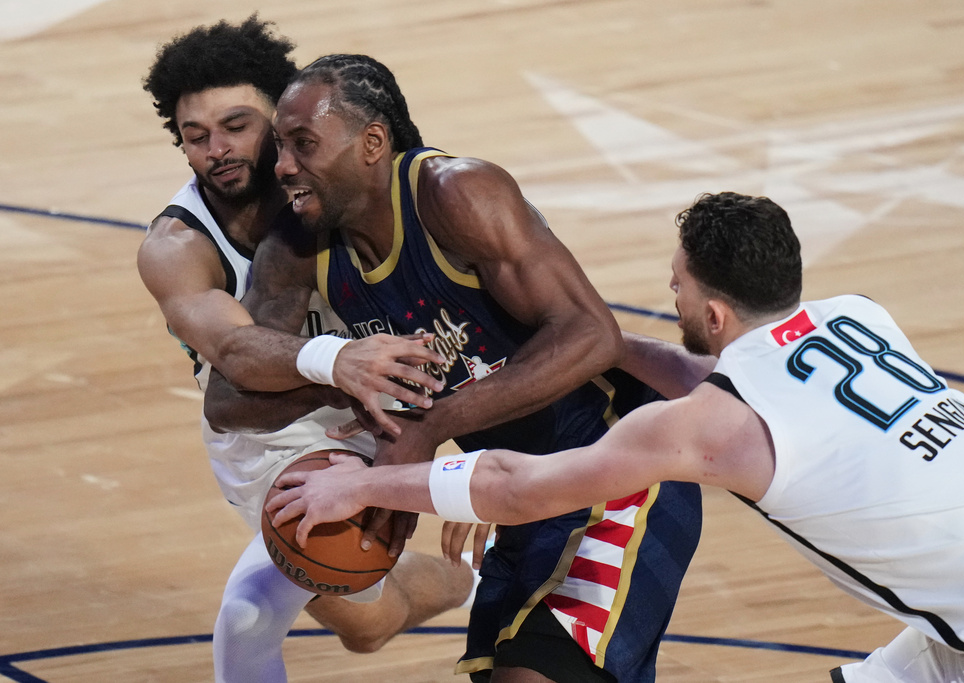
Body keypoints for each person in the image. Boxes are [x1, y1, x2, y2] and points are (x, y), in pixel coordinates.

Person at [268, 190, 964, 683]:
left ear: (716, 314)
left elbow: (513, 486)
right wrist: (604, 340)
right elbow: (714, 373)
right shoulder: (857, 313)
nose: (673, 294)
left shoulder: (711, 429)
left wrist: (360, 483)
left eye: (678, 285)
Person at [208, 53, 705, 682]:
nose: (283, 167)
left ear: (372, 143)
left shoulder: (455, 193)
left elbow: (591, 335)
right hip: (513, 497)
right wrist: (341, 374)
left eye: (304, 145)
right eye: (280, 147)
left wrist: (429, 427)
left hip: (613, 468)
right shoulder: (299, 246)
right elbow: (226, 401)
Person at [137, 17, 473, 683]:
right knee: (366, 625)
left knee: (246, 617)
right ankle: (469, 578)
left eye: (237, 125)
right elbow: (234, 354)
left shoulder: (345, 185)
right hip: (265, 427)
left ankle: (482, 565)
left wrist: (471, 446)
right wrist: (334, 362)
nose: (217, 149)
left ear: (282, 115)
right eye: (195, 136)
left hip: (378, 403)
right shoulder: (177, 247)